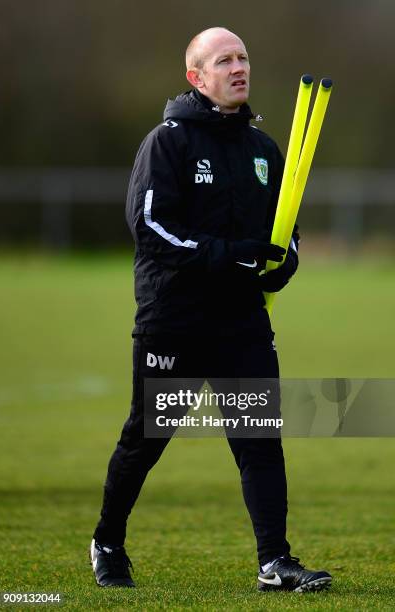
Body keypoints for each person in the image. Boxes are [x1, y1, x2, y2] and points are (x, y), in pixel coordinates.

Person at [90, 27, 332, 593]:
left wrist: (281, 262)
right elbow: (150, 228)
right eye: (223, 60)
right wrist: (234, 256)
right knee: (147, 438)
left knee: (258, 440)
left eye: (243, 57)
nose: (238, 67)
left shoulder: (264, 150)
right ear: (196, 77)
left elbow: (285, 231)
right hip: (174, 318)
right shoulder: (167, 142)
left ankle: (275, 561)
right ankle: (107, 540)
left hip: (241, 321)